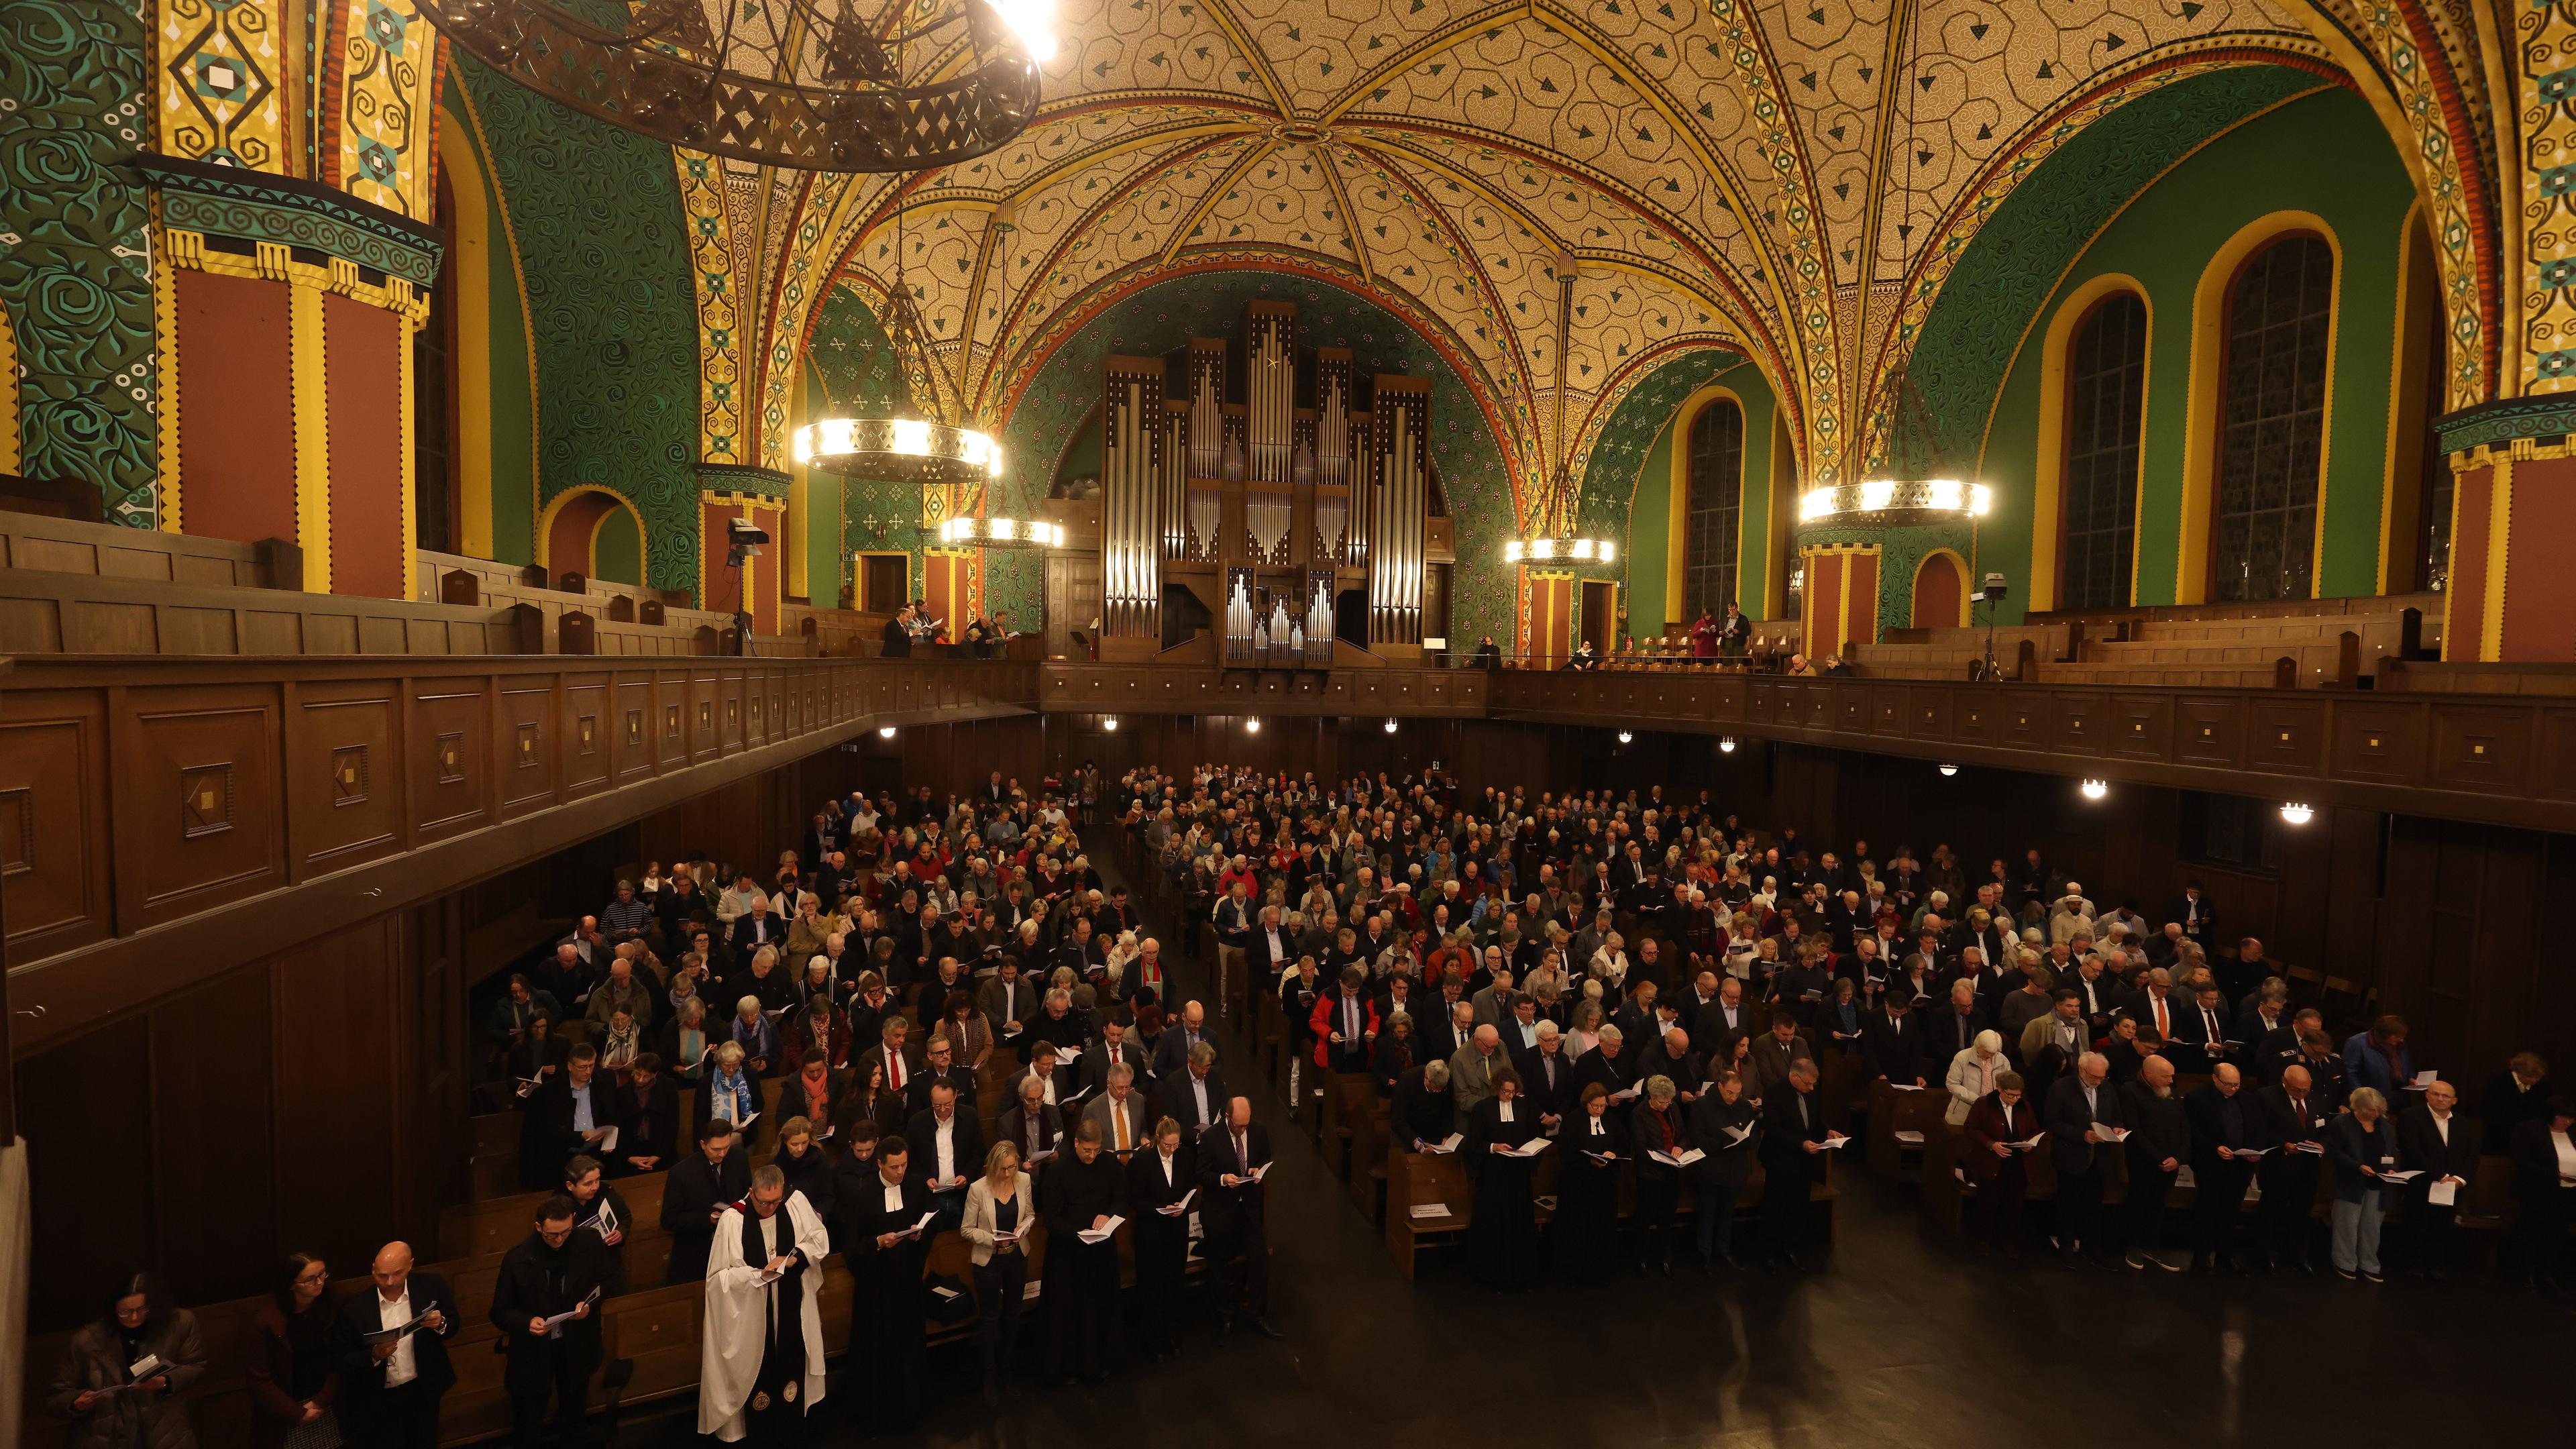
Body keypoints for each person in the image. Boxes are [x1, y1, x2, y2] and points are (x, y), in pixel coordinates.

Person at [698, 1165, 832, 1443]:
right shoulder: (733, 1219)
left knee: (792, 1372)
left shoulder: (794, 1203)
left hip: (790, 1306)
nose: (771, 1208)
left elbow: (819, 1238)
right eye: (764, 1202)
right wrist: (754, 1276)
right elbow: (716, 1279)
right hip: (752, 1314)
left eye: (775, 1201)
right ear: (751, 1192)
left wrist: (794, 1258)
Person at [490, 1195, 607, 1449]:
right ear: (538, 1227)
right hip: (534, 1352)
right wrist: (527, 1321)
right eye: (552, 1234)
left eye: (565, 1232)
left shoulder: (588, 1242)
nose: (559, 1240)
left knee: (575, 1415)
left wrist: (588, 1305)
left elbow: (604, 1282)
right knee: (529, 1421)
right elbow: (499, 1311)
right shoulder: (518, 1258)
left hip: (575, 1344)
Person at [840, 1137, 933, 1430]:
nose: (900, 1172)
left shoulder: (916, 1186)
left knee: (909, 1345)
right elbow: (851, 1247)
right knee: (879, 1349)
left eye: (904, 1165)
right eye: (894, 1167)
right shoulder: (863, 1194)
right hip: (876, 1287)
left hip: (907, 1281)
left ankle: (911, 1408)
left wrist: (919, 1235)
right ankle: (879, 1413)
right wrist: (878, 1243)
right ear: (880, 1164)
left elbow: (929, 1224)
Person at [53, 1271, 205, 1449]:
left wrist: (165, 1382)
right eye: (124, 1312)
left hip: (164, 1432)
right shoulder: (86, 1341)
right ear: (114, 1309)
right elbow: (58, 1396)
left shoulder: (179, 1324)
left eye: (141, 1310)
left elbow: (195, 1364)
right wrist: (76, 1402)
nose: (134, 1318)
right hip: (105, 1435)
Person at [332, 1244, 455, 1448]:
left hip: (423, 1390)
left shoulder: (432, 1285)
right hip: (379, 1398)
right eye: (382, 1276)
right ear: (373, 1270)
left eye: (397, 1274)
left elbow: (454, 1325)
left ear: (410, 1265)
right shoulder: (355, 1308)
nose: (390, 1282)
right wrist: (373, 1355)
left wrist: (441, 1323)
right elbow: (341, 1359)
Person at [1040, 1119, 1128, 1382]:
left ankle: (1102, 1360)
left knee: (1102, 1306)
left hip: (1101, 1251)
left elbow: (1122, 1199)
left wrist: (1109, 1215)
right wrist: (1078, 1234)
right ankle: (1069, 1366)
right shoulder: (1057, 1172)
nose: (1092, 1156)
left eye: (1096, 1151)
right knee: (1070, 1310)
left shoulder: (1109, 1164)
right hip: (1068, 1254)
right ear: (1076, 1143)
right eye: (1086, 1150)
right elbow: (1052, 1219)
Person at [1200, 1097, 1283, 1340]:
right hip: (1219, 1212)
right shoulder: (1212, 1137)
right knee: (1219, 1267)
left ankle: (1257, 1313)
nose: (1243, 1129)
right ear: (1228, 1118)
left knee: (1260, 1260)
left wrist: (1258, 1168)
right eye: (1239, 1126)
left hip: (1248, 1209)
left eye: (1246, 1124)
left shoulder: (1258, 1131)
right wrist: (1223, 1179)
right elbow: (1201, 1172)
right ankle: (1224, 1317)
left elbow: (1265, 1156)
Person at [962, 1142, 1034, 1403]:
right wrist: (992, 1240)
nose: (1007, 1174)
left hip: (1016, 1255)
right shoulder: (978, 1189)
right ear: (993, 1166)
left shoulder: (1023, 1180)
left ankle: (1007, 1369)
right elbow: (967, 1229)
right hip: (988, 1260)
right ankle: (989, 1374)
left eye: (1012, 1168)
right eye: (1003, 1169)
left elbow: (1031, 1215)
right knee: (991, 1318)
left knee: (1013, 1314)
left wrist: (1022, 1230)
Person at [249, 1252, 339, 1449]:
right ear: (291, 1285)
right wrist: (297, 1413)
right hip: (288, 1410)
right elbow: (260, 1380)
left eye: (322, 1274)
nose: (320, 1282)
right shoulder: (267, 1321)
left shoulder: (331, 1305)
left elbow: (341, 1358)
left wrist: (320, 1402)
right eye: (310, 1279)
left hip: (327, 1403)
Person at [1465, 1066, 1544, 1287]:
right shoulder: (1483, 1108)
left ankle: (1520, 1270)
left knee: (1519, 1220)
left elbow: (1535, 1134)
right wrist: (1493, 1147)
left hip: (1518, 1173)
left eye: (1512, 1092)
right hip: (1494, 1175)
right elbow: (1473, 1143)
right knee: (1494, 1220)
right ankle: (1491, 1271)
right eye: (1505, 1092)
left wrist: (1530, 1150)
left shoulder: (1525, 1106)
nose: (1509, 1096)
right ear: (1497, 1089)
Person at [1758, 1060, 1840, 1270]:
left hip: (1804, 1161)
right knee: (1776, 1206)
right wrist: (1800, 1144)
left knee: (1799, 1205)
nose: (1811, 1088)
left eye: (1813, 1084)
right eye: (1808, 1084)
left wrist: (1827, 1131)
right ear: (1794, 1077)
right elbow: (1774, 1130)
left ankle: (1791, 1247)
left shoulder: (1812, 1089)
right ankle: (1769, 1251)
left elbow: (1815, 1119)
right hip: (1780, 1159)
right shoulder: (1774, 1093)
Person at [2043, 1051, 2121, 1269]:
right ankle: (2066, 1246)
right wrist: (2082, 1135)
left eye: (2102, 1077)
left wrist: (2116, 1127)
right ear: (2082, 1070)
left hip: (2100, 1157)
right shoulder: (2061, 1088)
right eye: (2094, 1077)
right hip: (2072, 1154)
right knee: (2069, 1204)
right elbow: (2052, 1122)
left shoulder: (2107, 1088)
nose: (2098, 1081)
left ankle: (2091, 1246)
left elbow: (2115, 1114)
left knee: (2094, 1204)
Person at [1126, 1118, 1195, 1362]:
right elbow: (1135, 1199)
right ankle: (1153, 1339)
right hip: (1151, 1233)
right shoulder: (1143, 1162)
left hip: (1177, 1230)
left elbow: (1190, 1188)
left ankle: (1173, 1334)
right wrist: (1160, 1208)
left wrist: (1183, 1206)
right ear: (1158, 1139)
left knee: (1174, 1284)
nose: (1172, 1149)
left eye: (1176, 1145)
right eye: (1168, 1145)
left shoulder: (1185, 1156)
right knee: (1152, 1286)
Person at [2397, 1078, 2479, 1277]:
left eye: (2446, 1096)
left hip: (2452, 1186)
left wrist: (2460, 1179)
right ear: (2427, 1095)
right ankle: (2414, 1266)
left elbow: (2472, 1156)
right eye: (2436, 1094)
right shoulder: (2410, 1116)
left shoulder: (2463, 1123)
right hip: (2422, 1181)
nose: (2440, 1099)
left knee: (2443, 1227)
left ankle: (2435, 1265)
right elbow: (2410, 1149)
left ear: (2454, 1100)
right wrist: (2441, 1174)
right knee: (2417, 1225)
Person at [2252, 1064, 2328, 1273]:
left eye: (2305, 1089)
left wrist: (2323, 1146)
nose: (2302, 1094)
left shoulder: (2318, 1099)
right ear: (2284, 1082)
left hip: (2309, 1166)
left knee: (2302, 1211)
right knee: (2272, 1210)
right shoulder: (2265, 1097)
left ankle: (2298, 1255)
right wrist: (2283, 1144)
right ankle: (2266, 1253)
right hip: (2279, 1164)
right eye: (2296, 1090)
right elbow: (2260, 1128)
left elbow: (2326, 1130)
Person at [2184, 1064, 2258, 1272]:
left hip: (2241, 1166)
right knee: (2208, 1209)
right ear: (2215, 1079)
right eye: (2229, 1084)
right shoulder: (2196, 1099)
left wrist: (2254, 1150)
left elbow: (2257, 1128)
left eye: (2237, 1084)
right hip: (2211, 1165)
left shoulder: (2248, 1099)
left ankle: (2226, 1254)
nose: (2234, 1089)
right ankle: (2202, 1254)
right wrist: (2215, 1147)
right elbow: (2192, 1131)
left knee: (2231, 1211)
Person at [2119, 1054, 2188, 1272]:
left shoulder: (2172, 1094)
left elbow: (2185, 1128)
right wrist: (2158, 1158)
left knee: (2159, 1204)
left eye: (2172, 1076)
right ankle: (2133, 1245)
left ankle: (2152, 1246)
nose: (2171, 1081)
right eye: (2166, 1077)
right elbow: (2135, 1130)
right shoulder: (2130, 1091)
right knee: (2139, 1202)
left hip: (2171, 1162)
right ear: (2149, 1075)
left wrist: (2179, 1158)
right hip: (2144, 1160)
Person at [2324, 1086, 2400, 1282]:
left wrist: (2393, 1169)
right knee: (2347, 1225)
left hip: (2379, 1183)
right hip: (2351, 1183)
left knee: (2372, 1227)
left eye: (2378, 1110)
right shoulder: (2342, 1123)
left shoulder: (2386, 1127)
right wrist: (2358, 1166)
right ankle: (2345, 1262)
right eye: (2370, 1110)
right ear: (2357, 1107)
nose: (2375, 1114)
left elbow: (2393, 1153)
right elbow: (2334, 1152)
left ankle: (2369, 1264)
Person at [662, 1119, 751, 1284]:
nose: (722, 1154)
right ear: (703, 1144)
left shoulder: (739, 1158)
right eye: (716, 1149)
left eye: (726, 1147)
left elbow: (747, 1195)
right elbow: (669, 1219)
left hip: (735, 1246)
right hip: (697, 1252)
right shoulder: (681, 1173)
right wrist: (708, 1219)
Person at [1688, 1069, 1760, 1270]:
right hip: (1711, 1169)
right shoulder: (1702, 1105)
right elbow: (1697, 1138)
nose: (1733, 1098)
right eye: (1730, 1093)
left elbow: (1754, 1136)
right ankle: (1705, 1255)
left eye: (1737, 1093)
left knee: (1728, 1213)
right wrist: (1723, 1143)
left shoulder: (1744, 1106)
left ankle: (1723, 1250)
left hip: (1736, 1169)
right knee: (1708, 1213)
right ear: (1720, 1086)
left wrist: (1744, 1141)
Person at [1962, 1072, 2041, 1256]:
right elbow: (1971, 1128)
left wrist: (2029, 1144)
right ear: (1999, 1089)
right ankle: (1983, 1240)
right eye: (2011, 1095)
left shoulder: (2024, 1106)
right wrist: (1991, 1144)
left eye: (2018, 1095)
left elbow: (2034, 1129)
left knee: (2013, 1204)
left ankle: (2006, 1240)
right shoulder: (1984, 1104)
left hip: (2017, 1162)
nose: (2015, 1099)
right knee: (1988, 1202)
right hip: (1992, 1162)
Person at [1556, 1082, 1627, 1281]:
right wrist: (1589, 1161)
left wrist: (1614, 1153)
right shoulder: (1573, 1121)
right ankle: (1577, 1272)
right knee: (1579, 1228)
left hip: (1604, 1186)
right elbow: (1566, 1151)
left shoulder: (1611, 1120)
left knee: (1602, 1228)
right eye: (1595, 1106)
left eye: (1603, 1106)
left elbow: (1623, 1142)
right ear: (1586, 1103)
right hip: (1579, 1185)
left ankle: (1601, 1271)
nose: (1599, 1110)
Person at [2509, 1095, 2576, 1292]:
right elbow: (2522, 1160)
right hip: (2537, 1190)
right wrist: (2555, 1174)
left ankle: (2547, 1272)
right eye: (2564, 1117)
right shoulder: (2529, 1129)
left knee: (2556, 1233)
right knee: (2532, 1232)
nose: (2568, 1122)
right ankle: (2526, 1273)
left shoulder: (2573, 1131)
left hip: (2567, 1194)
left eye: (2572, 1118)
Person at [1629, 1074, 1692, 1275]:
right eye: (1661, 1102)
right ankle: (1641, 1257)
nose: (1666, 1105)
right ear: (1651, 1097)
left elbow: (1682, 1133)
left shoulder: (1673, 1108)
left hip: (1672, 1171)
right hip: (1650, 1173)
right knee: (1645, 1216)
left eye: (1668, 1101)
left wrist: (1680, 1148)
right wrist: (1662, 1157)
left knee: (1668, 1215)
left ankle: (1665, 1255)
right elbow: (1640, 1146)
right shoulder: (1639, 1113)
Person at [561, 1157, 633, 1297]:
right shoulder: (560, 1204)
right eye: (588, 1184)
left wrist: (620, 1232)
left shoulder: (607, 1190)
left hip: (611, 1266)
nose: (595, 1187)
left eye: (597, 1180)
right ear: (570, 1186)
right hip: (580, 1273)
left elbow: (626, 1217)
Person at [1944, 1029, 2008, 1126]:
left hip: (1992, 1116)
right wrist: (1978, 1101)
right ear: (1978, 1046)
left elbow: (2008, 1086)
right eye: (1987, 1052)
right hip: (1963, 1115)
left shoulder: (2003, 1061)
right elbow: (1952, 1084)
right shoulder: (1962, 1057)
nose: (1990, 1056)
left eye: (1994, 1053)